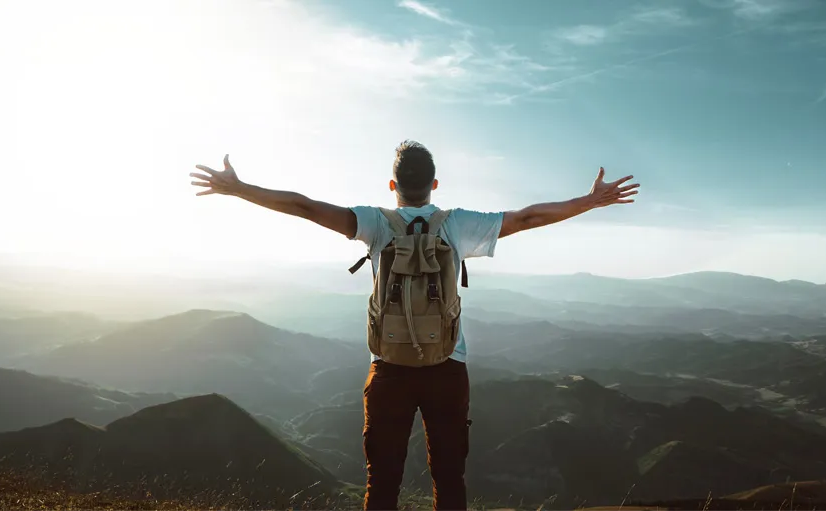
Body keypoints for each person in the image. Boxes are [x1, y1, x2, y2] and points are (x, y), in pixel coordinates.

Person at [189, 140, 638, 510]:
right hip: (447, 367)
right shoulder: (457, 225)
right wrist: (589, 201)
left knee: (382, 481)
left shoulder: (373, 223)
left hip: (388, 368)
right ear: (434, 184)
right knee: (449, 479)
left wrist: (240, 189)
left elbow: (304, 207)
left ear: (393, 185)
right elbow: (527, 217)